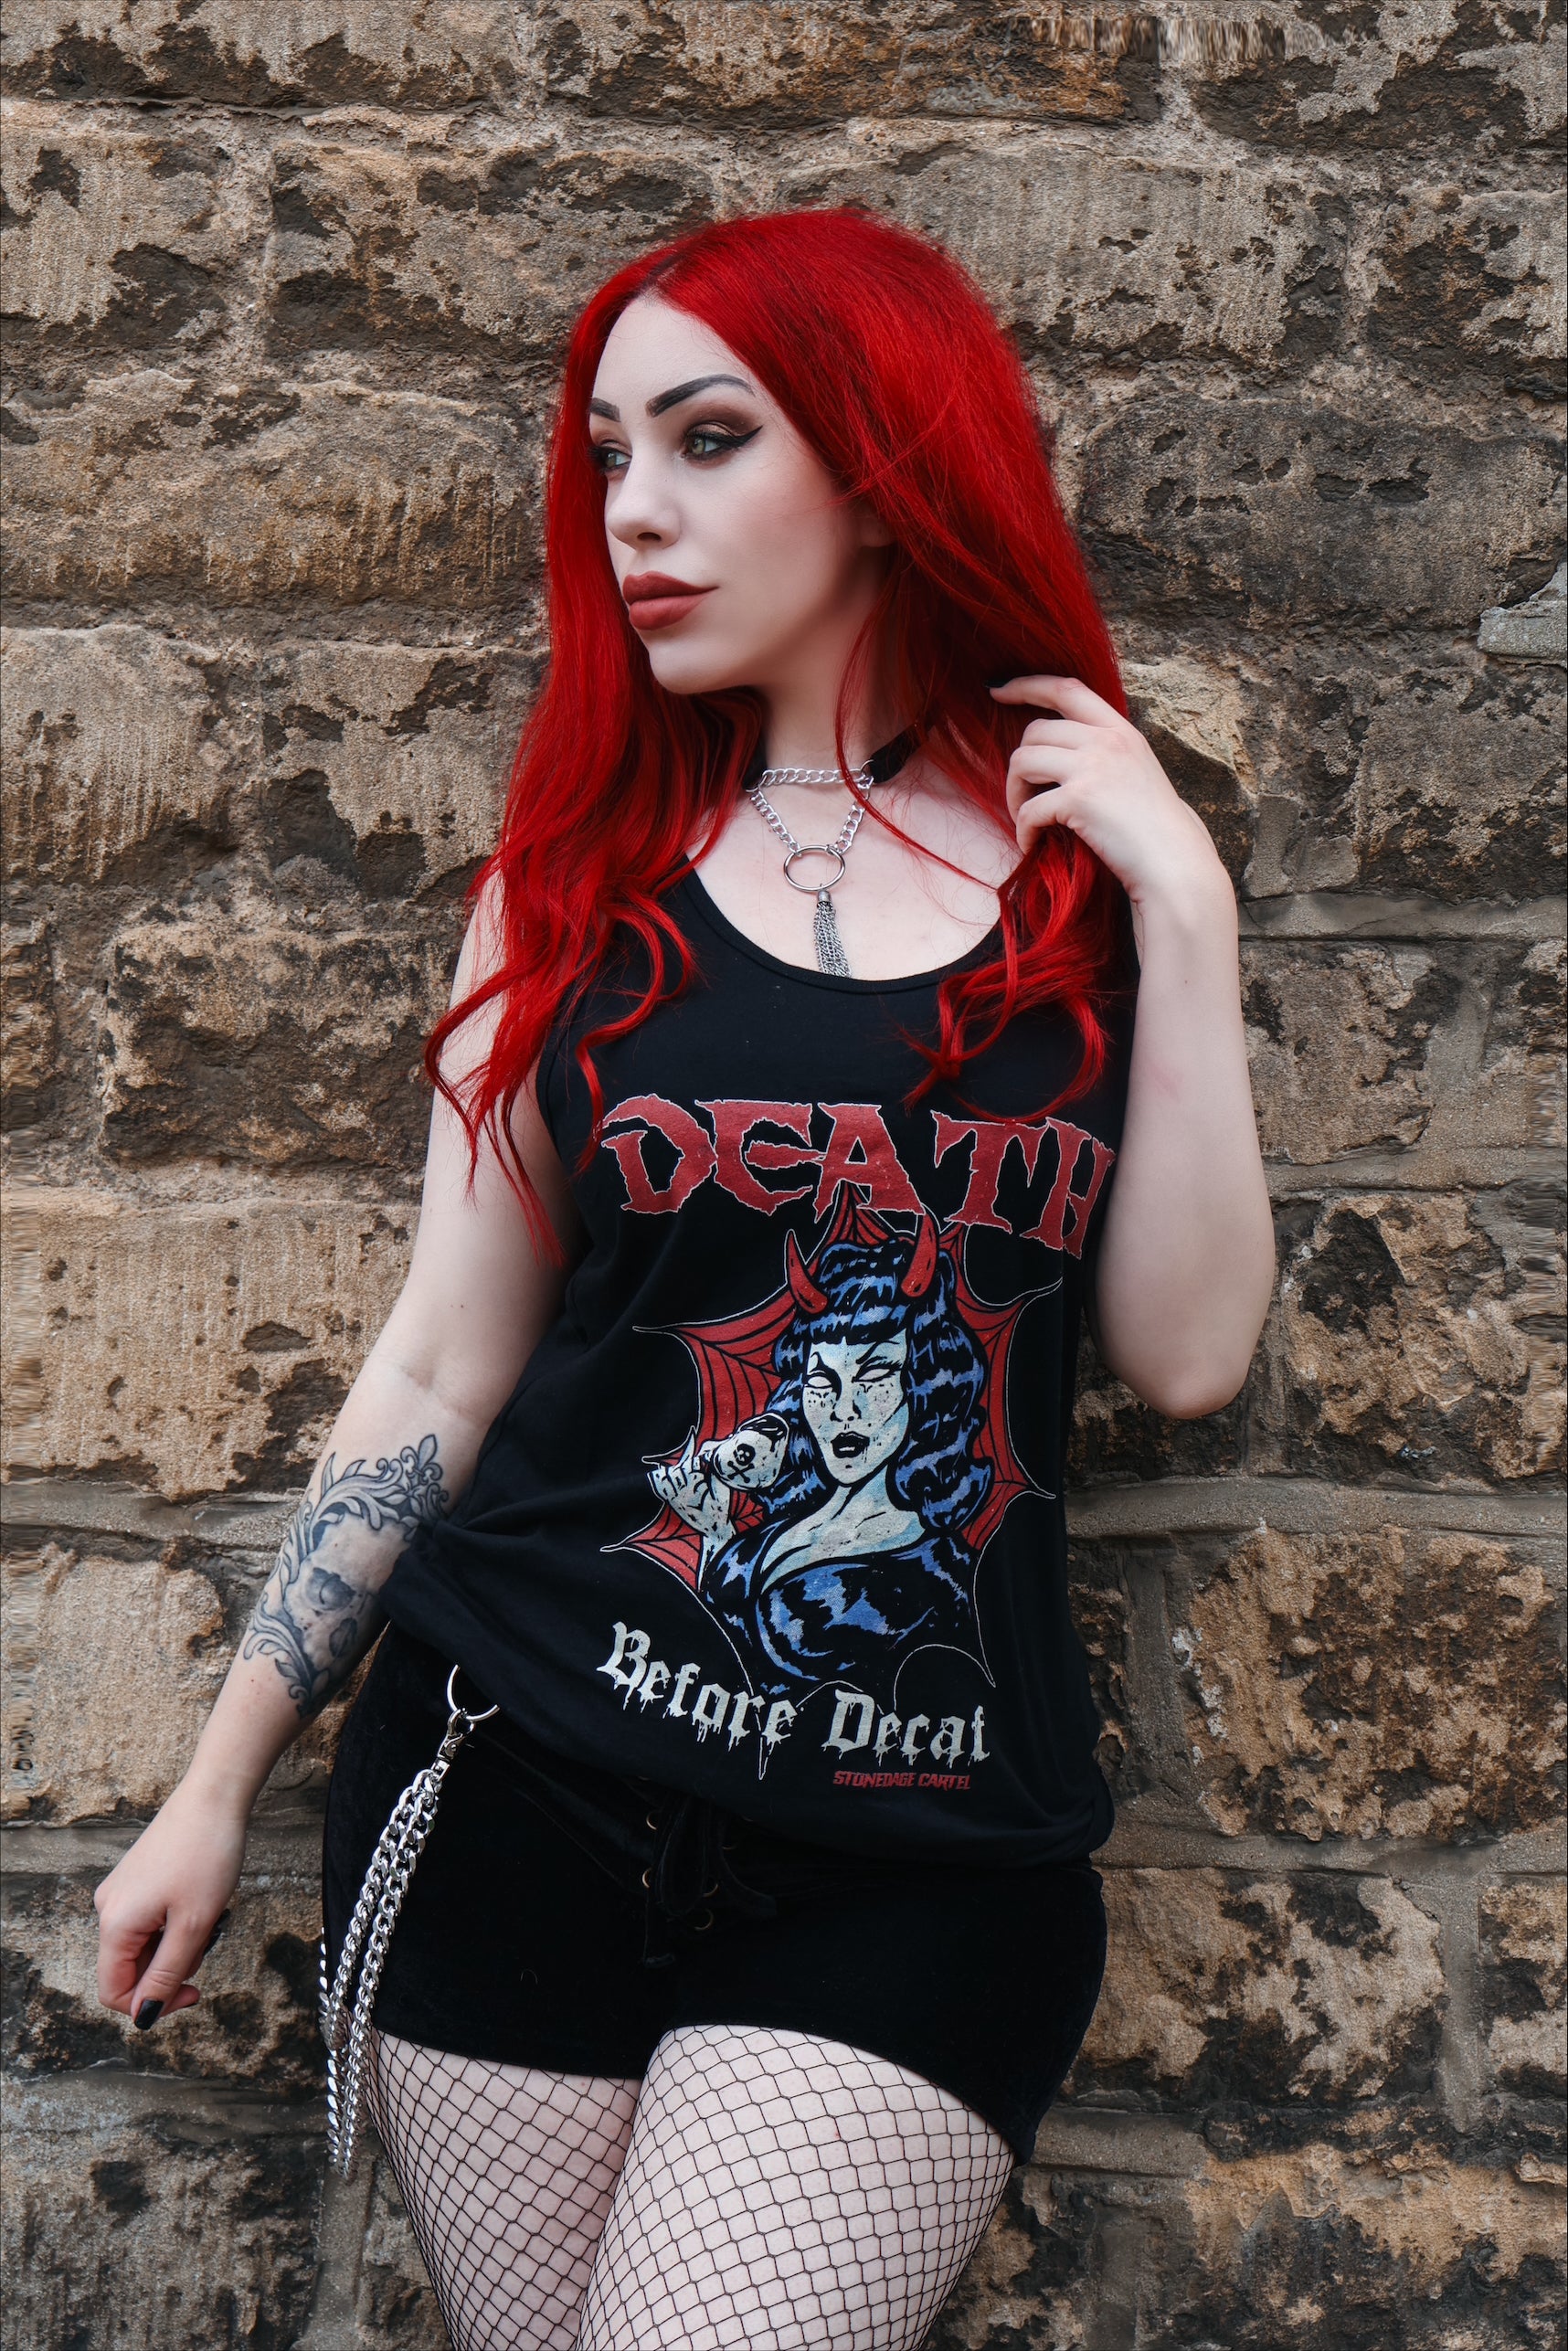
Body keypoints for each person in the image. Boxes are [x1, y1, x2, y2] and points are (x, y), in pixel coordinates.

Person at [92, 208, 1276, 2350]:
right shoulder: (574, 892)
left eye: (710, 440)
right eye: (611, 456)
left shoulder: (1087, 895)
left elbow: (1186, 1357)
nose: (635, 510)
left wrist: (1187, 906)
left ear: (887, 469)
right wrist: (217, 1782)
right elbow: (440, 1371)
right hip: (514, 1785)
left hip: (915, 1857)